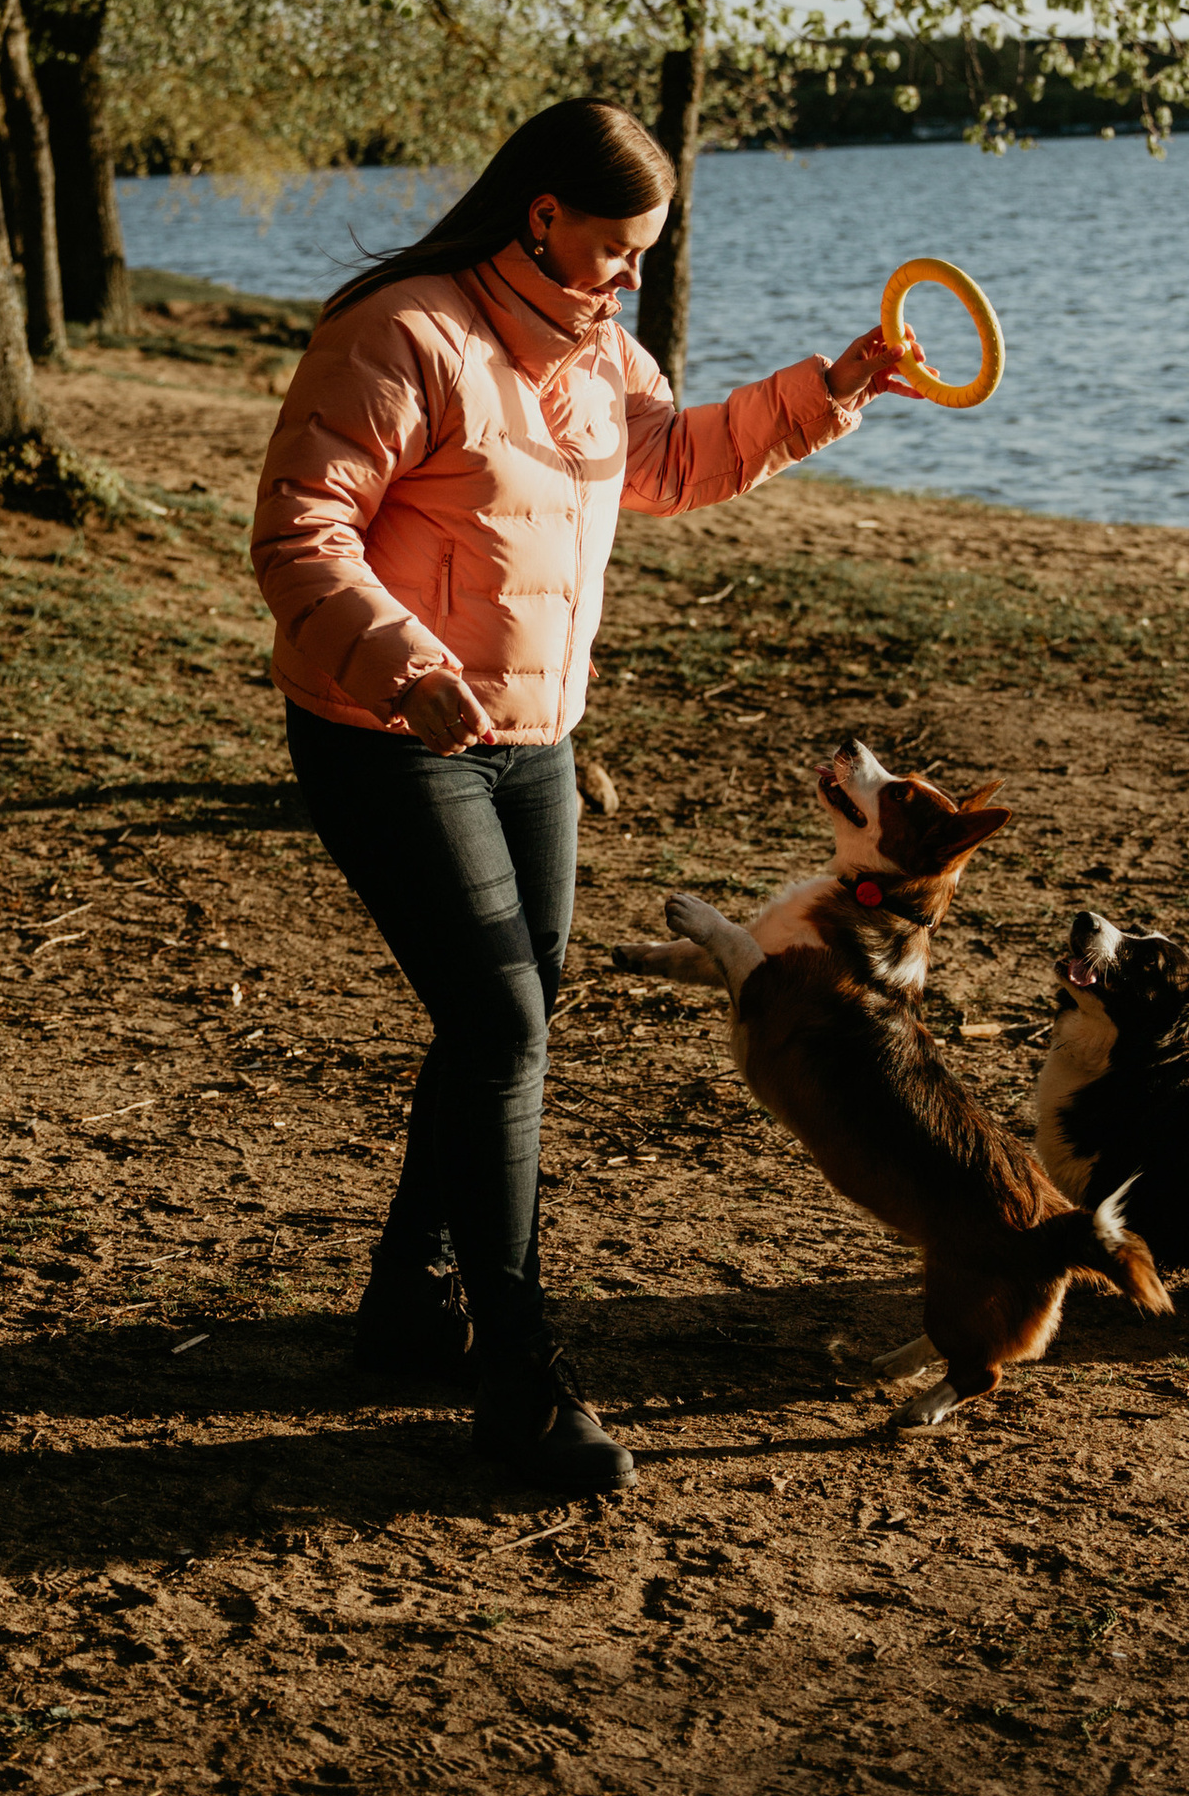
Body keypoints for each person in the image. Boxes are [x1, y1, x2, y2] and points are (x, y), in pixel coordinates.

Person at [250, 96, 922, 1497]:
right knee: (500, 1021)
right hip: (386, 730)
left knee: (512, 1006)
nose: (633, 274)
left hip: (533, 736)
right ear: (541, 213)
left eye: (648, 253)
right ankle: (516, 1374)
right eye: (618, 247)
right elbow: (301, 531)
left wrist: (834, 387)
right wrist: (404, 658)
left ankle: (406, 1297)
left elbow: (667, 465)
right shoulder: (403, 333)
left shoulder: (604, 350)